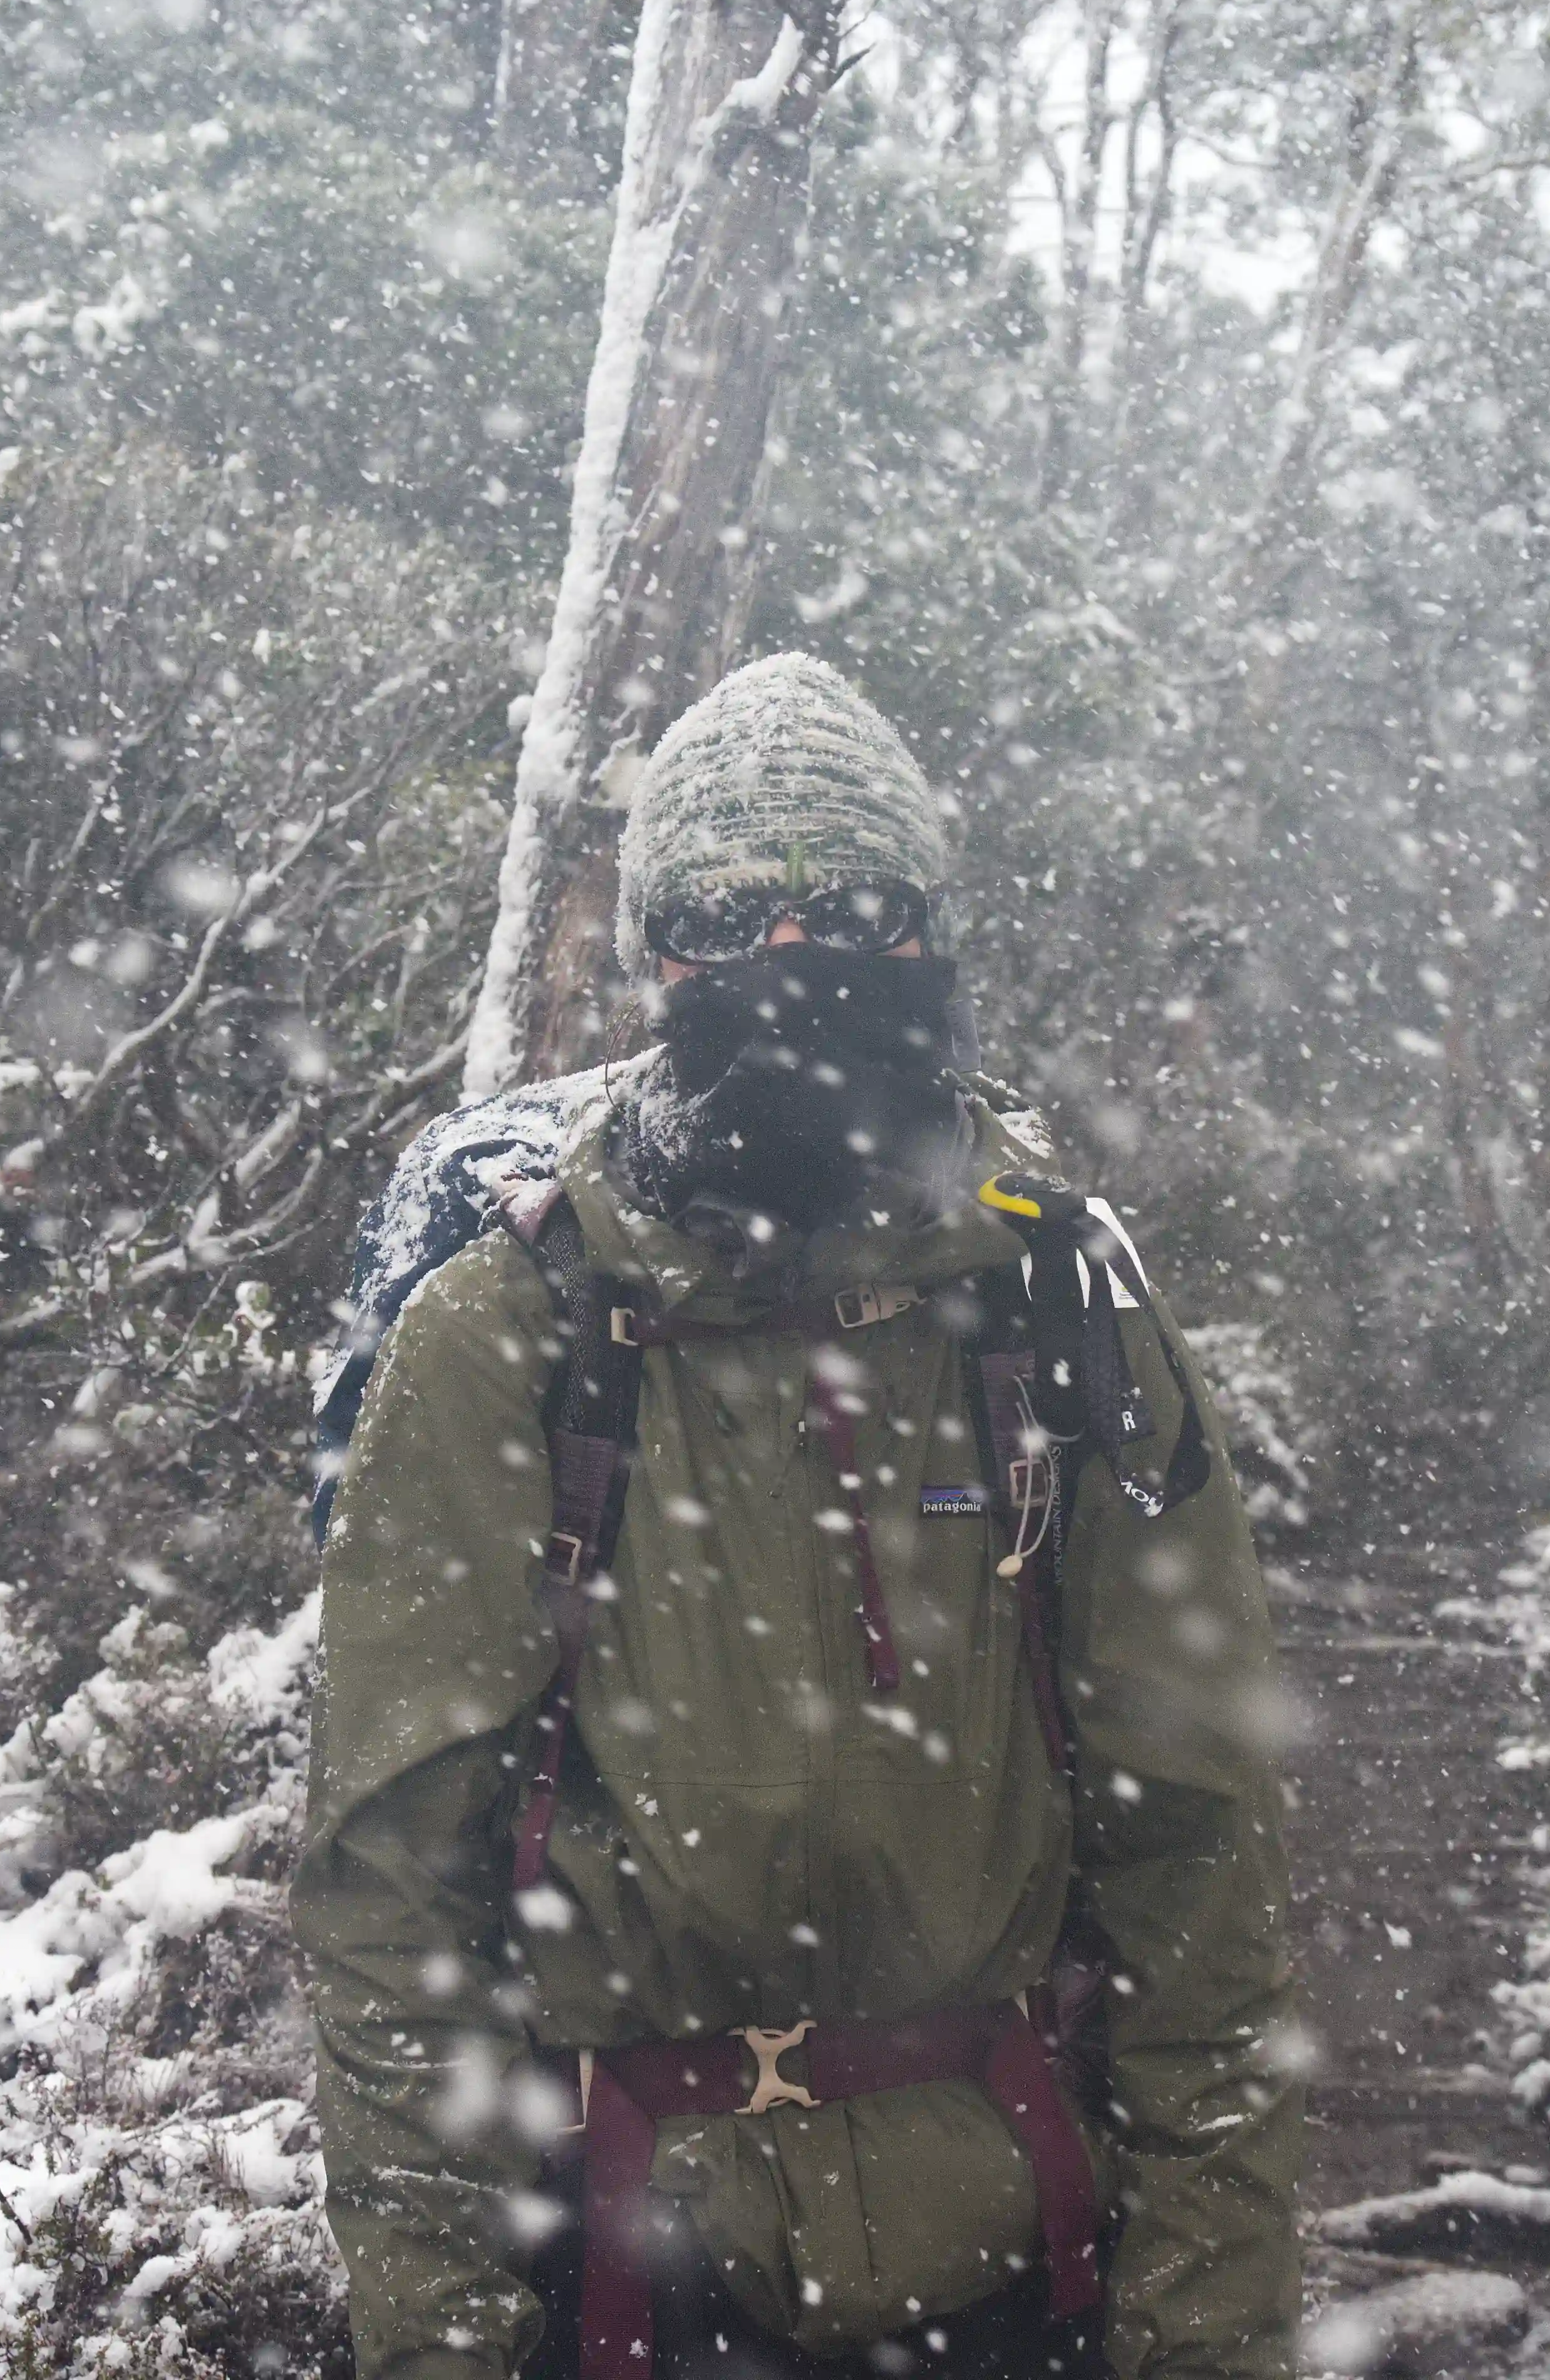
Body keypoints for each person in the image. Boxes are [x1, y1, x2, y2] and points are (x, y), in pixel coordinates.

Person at [296, 653, 1303, 2380]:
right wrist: (440, 2344)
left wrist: (1206, 2337)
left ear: (927, 930)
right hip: (622, 2282)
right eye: (725, 921)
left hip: (1024, 2274)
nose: (791, 964)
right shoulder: (509, 1337)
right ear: (656, 959)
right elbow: (393, 1909)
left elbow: (1202, 1880)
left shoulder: (1058, 1307)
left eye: (846, 912)